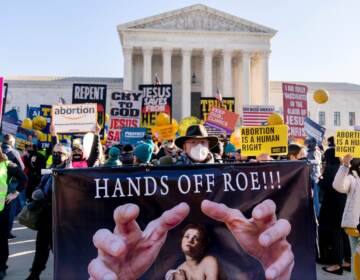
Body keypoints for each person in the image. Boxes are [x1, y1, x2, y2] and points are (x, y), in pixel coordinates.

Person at [88, 199, 294, 280]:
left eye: (195, 238)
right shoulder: (176, 271)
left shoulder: (208, 263)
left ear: (203, 243)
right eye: (187, 236)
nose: (190, 241)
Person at [25, 143, 70, 280]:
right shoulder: (50, 169)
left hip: (60, 217)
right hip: (45, 214)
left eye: (60, 153)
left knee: (60, 250)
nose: (56, 155)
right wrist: (36, 194)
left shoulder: (69, 172)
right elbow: (41, 184)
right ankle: (34, 275)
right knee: (41, 248)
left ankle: (67, 275)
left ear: (66, 156)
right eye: (54, 152)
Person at [0, 146, 28, 280]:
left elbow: (23, 179)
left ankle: (1, 267)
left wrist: (14, 194)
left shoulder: (7, 164)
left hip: (2, 209)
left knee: (1, 240)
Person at [333, 154, 360, 278]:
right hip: (354, 226)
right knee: (357, 261)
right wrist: (344, 166)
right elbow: (338, 186)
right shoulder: (353, 178)